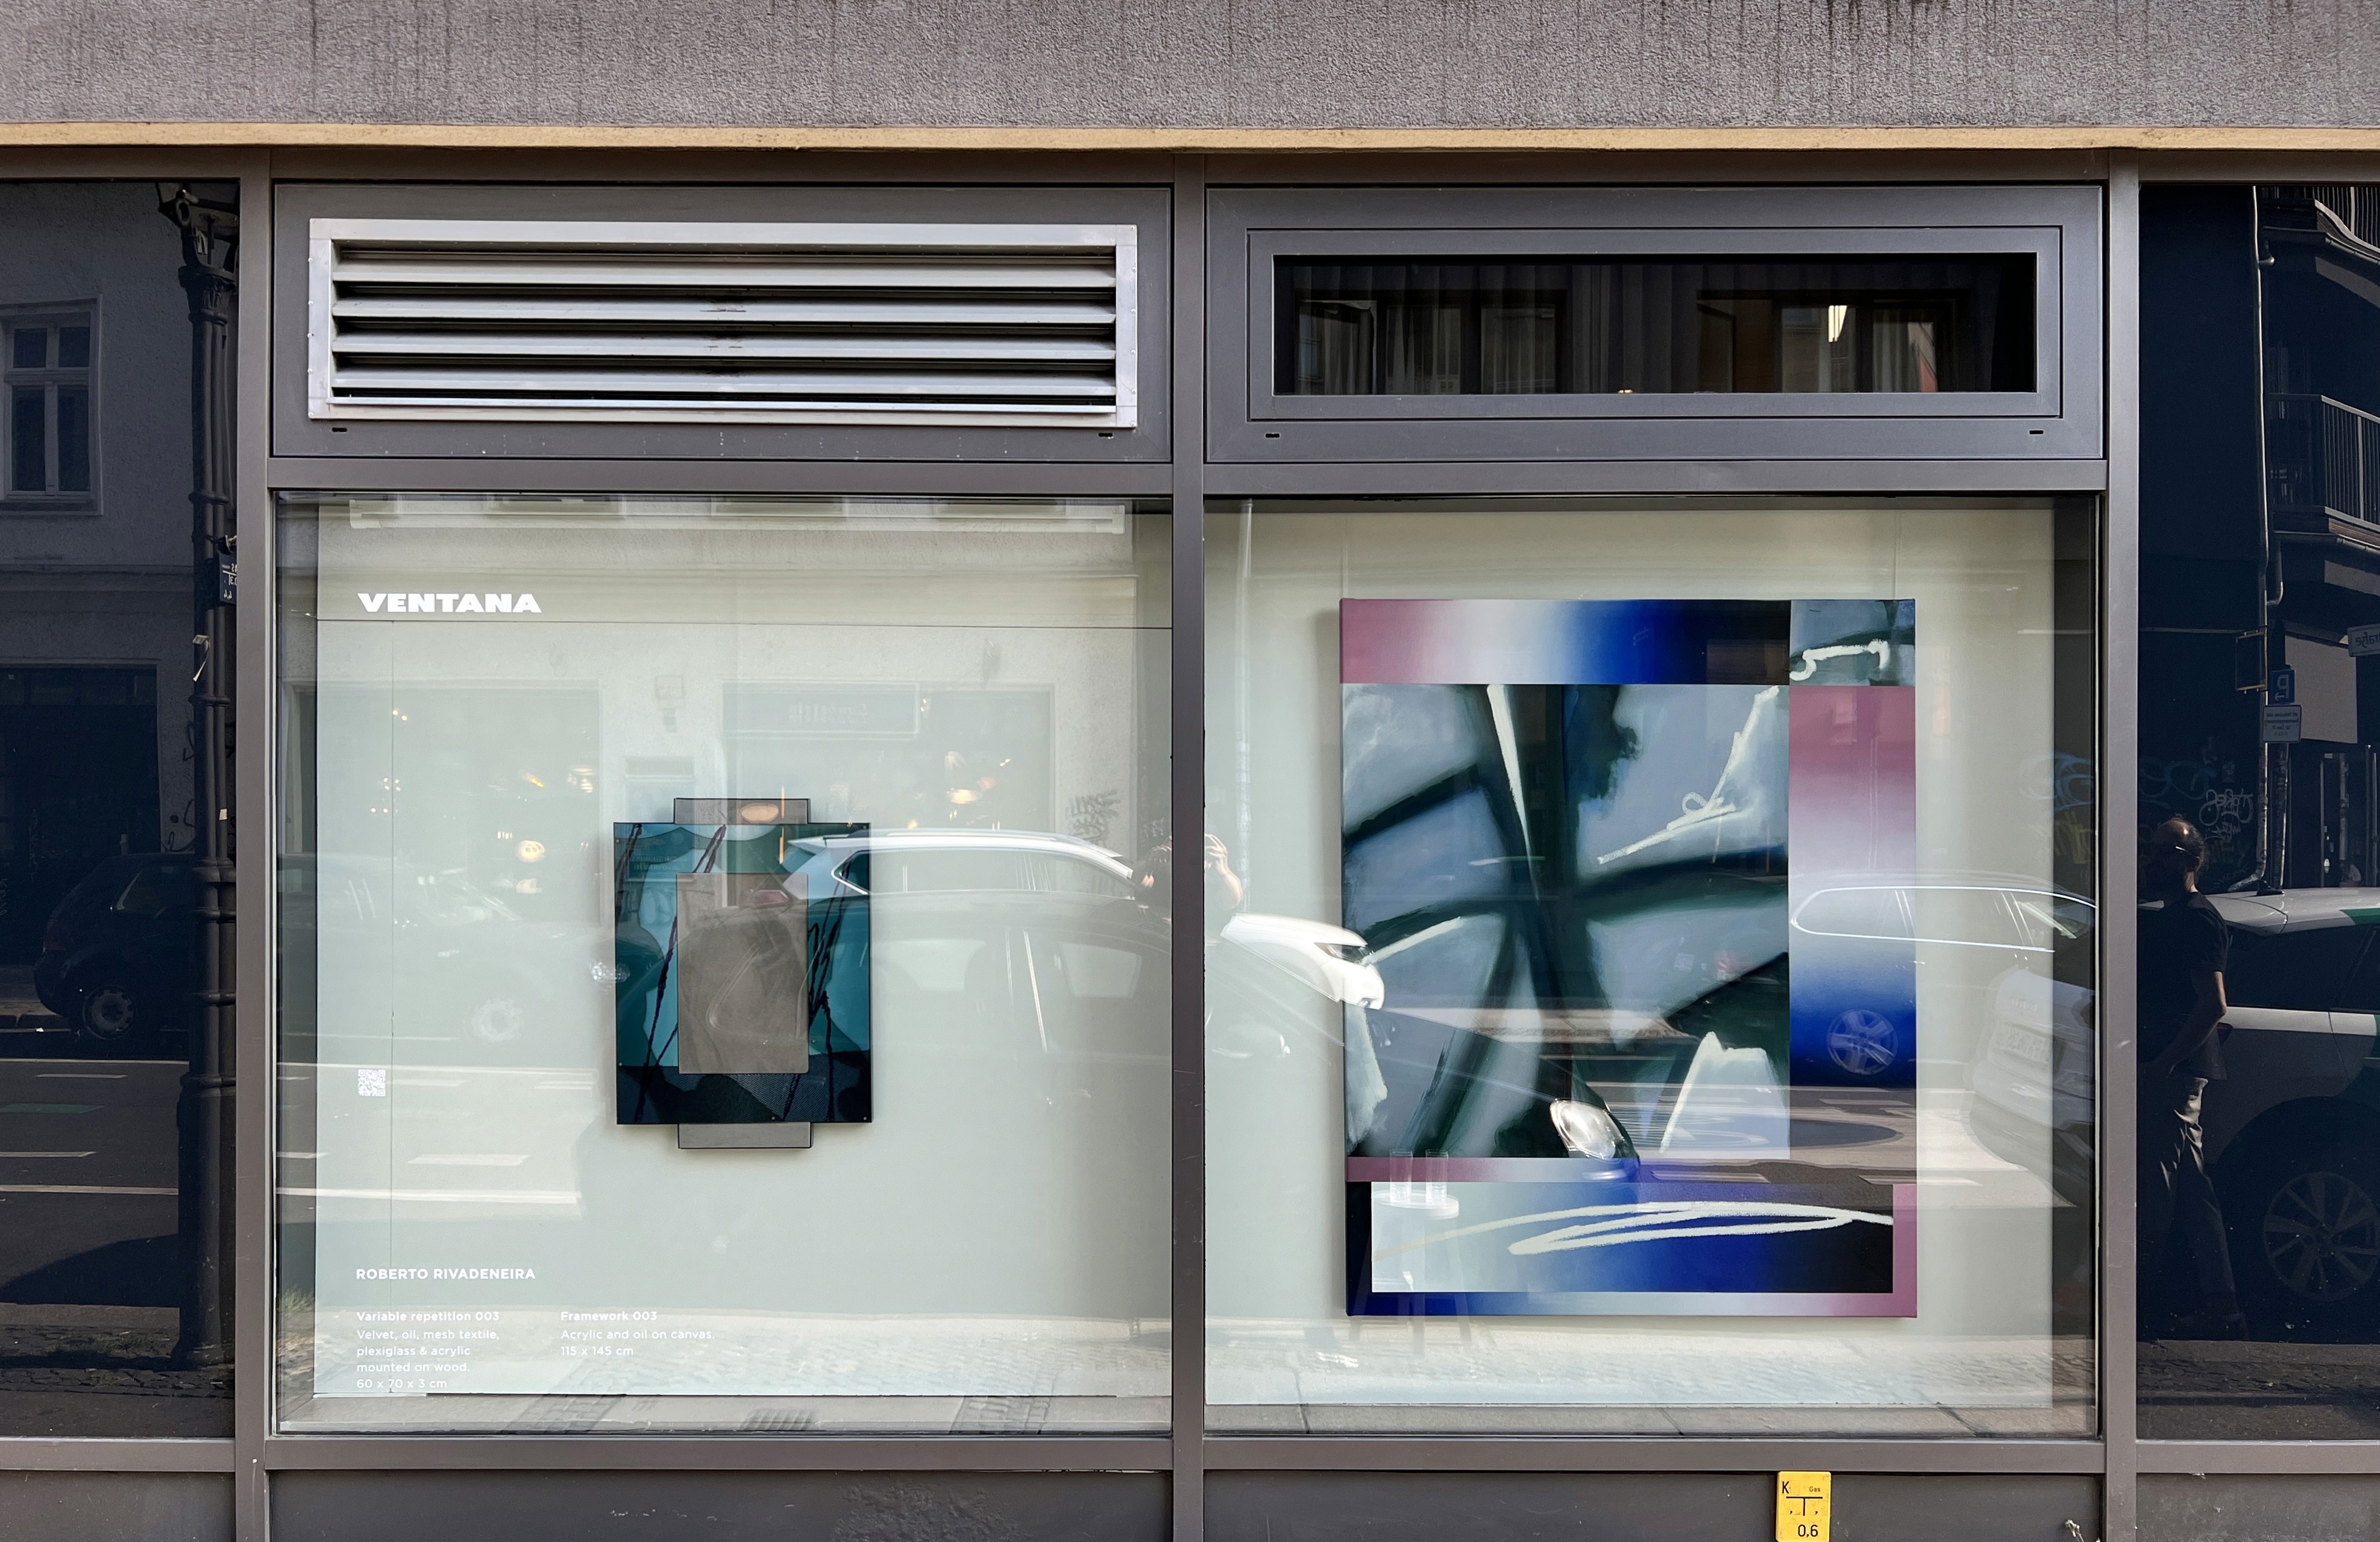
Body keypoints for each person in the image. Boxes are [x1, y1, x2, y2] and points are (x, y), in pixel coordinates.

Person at [2137, 816, 2244, 1338]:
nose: (2155, 860)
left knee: (2153, 1186)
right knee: (2190, 1189)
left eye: (2168, 852)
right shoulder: (2169, 916)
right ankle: (2221, 1304)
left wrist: (2166, 1062)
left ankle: (2136, 1300)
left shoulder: (2198, 919)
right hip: (2168, 1068)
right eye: (2152, 849)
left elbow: (2212, 1004)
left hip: (2173, 1074)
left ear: (2192, 861)